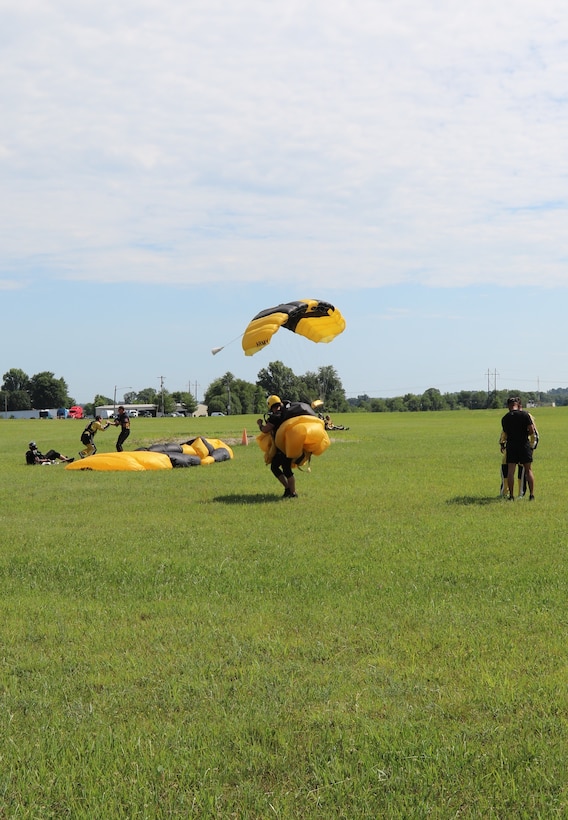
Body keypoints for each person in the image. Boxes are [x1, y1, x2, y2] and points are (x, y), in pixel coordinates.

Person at [257, 395, 298, 498]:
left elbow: (265, 429)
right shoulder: (285, 414)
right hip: (285, 446)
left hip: (283, 448)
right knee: (274, 467)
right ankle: (288, 489)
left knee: (287, 470)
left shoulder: (275, 417)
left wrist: (260, 424)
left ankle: (293, 493)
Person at [501, 397, 537, 500]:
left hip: (511, 445)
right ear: (518, 405)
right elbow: (531, 430)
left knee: (511, 471)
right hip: (524, 444)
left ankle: (511, 496)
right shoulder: (525, 415)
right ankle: (531, 495)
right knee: (528, 470)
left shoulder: (505, 418)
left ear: (508, 406)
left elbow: (505, 433)